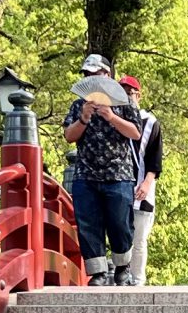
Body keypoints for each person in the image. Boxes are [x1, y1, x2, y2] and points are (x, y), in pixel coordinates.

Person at [60, 52, 143, 285]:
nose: (91, 78)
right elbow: (69, 135)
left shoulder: (124, 102)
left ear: (107, 75)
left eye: (95, 74)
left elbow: (135, 133)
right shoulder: (79, 105)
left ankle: (122, 267)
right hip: (86, 173)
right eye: (87, 75)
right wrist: (84, 118)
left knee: (120, 223)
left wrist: (110, 116)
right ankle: (97, 272)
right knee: (88, 223)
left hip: (118, 174)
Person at [118, 71, 162, 287]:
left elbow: (155, 159)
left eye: (130, 93)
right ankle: (120, 276)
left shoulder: (151, 123)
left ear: (139, 95)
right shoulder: (111, 120)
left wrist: (147, 182)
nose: (127, 98)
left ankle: (137, 280)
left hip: (142, 186)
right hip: (117, 185)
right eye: (122, 93)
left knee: (139, 238)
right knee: (119, 234)